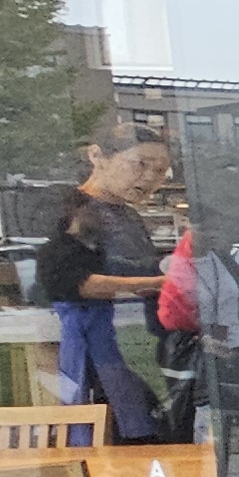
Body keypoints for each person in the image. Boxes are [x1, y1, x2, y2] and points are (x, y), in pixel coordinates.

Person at [38, 117, 173, 442]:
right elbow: (73, 282)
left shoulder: (130, 216)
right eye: (139, 164)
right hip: (95, 342)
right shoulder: (70, 209)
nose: (149, 178)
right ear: (97, 156)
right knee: (112, 434)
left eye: (159, 171)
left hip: (138, 340)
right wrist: (159, 284)